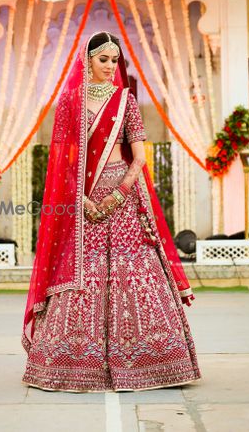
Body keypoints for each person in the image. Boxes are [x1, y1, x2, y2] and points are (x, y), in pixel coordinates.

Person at [21, 31, 201, 392]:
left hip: (122, 199)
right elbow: (62, 162)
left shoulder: (126, 101)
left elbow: (139, 157)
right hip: (82, 202)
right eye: (103, 58)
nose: (109, 66)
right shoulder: (69, 103)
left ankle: (153, 360)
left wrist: (119, 194)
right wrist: (82, 200)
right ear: (88, 60)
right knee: (80, 272)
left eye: (114, 60)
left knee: (132, 269)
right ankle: (70, 361)